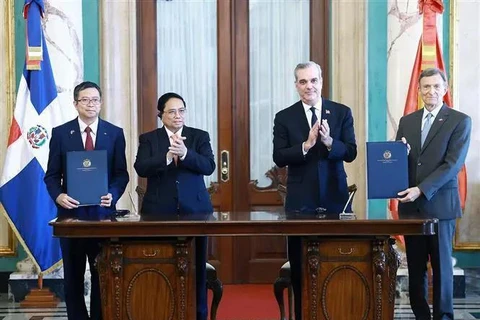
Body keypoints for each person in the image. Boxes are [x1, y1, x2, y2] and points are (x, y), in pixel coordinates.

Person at [272, 61, 357, 319]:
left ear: (321, 81)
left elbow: (351, 152)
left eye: (313, 80)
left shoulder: (341, 112)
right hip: (301, 201)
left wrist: (331, 142)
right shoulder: (284, 117)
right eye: (303, 82)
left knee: (337, 263)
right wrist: (306, 145)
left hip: (335, 198)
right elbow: (279, 157)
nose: (309, 86)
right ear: (296, 86)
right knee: (300, 267)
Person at [44, 81, 129, 320]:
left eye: (95, 100)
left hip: (103, 218)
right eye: (85, 100)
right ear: (75, 103)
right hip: (71, 219)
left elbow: (121, 174)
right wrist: (59, 196)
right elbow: (51, 176)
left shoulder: (114, 133)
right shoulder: (61, 133)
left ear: (101, 103)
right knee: (73, 277)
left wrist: (112, 193)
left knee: (102, 275)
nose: (90, 104)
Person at [396, 67, 471, 320]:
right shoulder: (407, 121)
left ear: (445, 89)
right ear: (419, 90)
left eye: (436, 86)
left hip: (440, 207)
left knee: (441, 270)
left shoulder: (460, 121)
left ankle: (443, 317)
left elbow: (452, 165)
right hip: (411, 209)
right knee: (415, 270)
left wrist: (421, 189)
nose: (431, 91)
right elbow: (397, 162)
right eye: (426, 87)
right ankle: (421, 316)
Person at [134, 92, 215, 320]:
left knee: (197, 268)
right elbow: (141, 167)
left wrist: (187, 153)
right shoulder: (149, 139)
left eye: (181, 111)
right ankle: (162, 312)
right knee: (161, 265)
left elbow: (209, 165)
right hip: (159, 212)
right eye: (172, 111)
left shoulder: (199, 136)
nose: (178, 116)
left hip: (195, 212)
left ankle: (199, 315)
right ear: (161, 115)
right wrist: (167, 157)